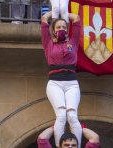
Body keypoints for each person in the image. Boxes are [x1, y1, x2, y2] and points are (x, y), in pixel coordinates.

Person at [41, 11, 83, 147]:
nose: (62, 30)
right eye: (58, 27)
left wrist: (64, 13)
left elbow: (76, 19)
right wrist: (55, 13)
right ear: (53, 31)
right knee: (61, 116)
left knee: (72, 116)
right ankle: (60, 146)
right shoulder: (48, 44)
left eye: (64, 27)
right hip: (55, 83)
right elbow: (44, 20)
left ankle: (75, 145)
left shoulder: (73, 42)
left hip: (72, 83)